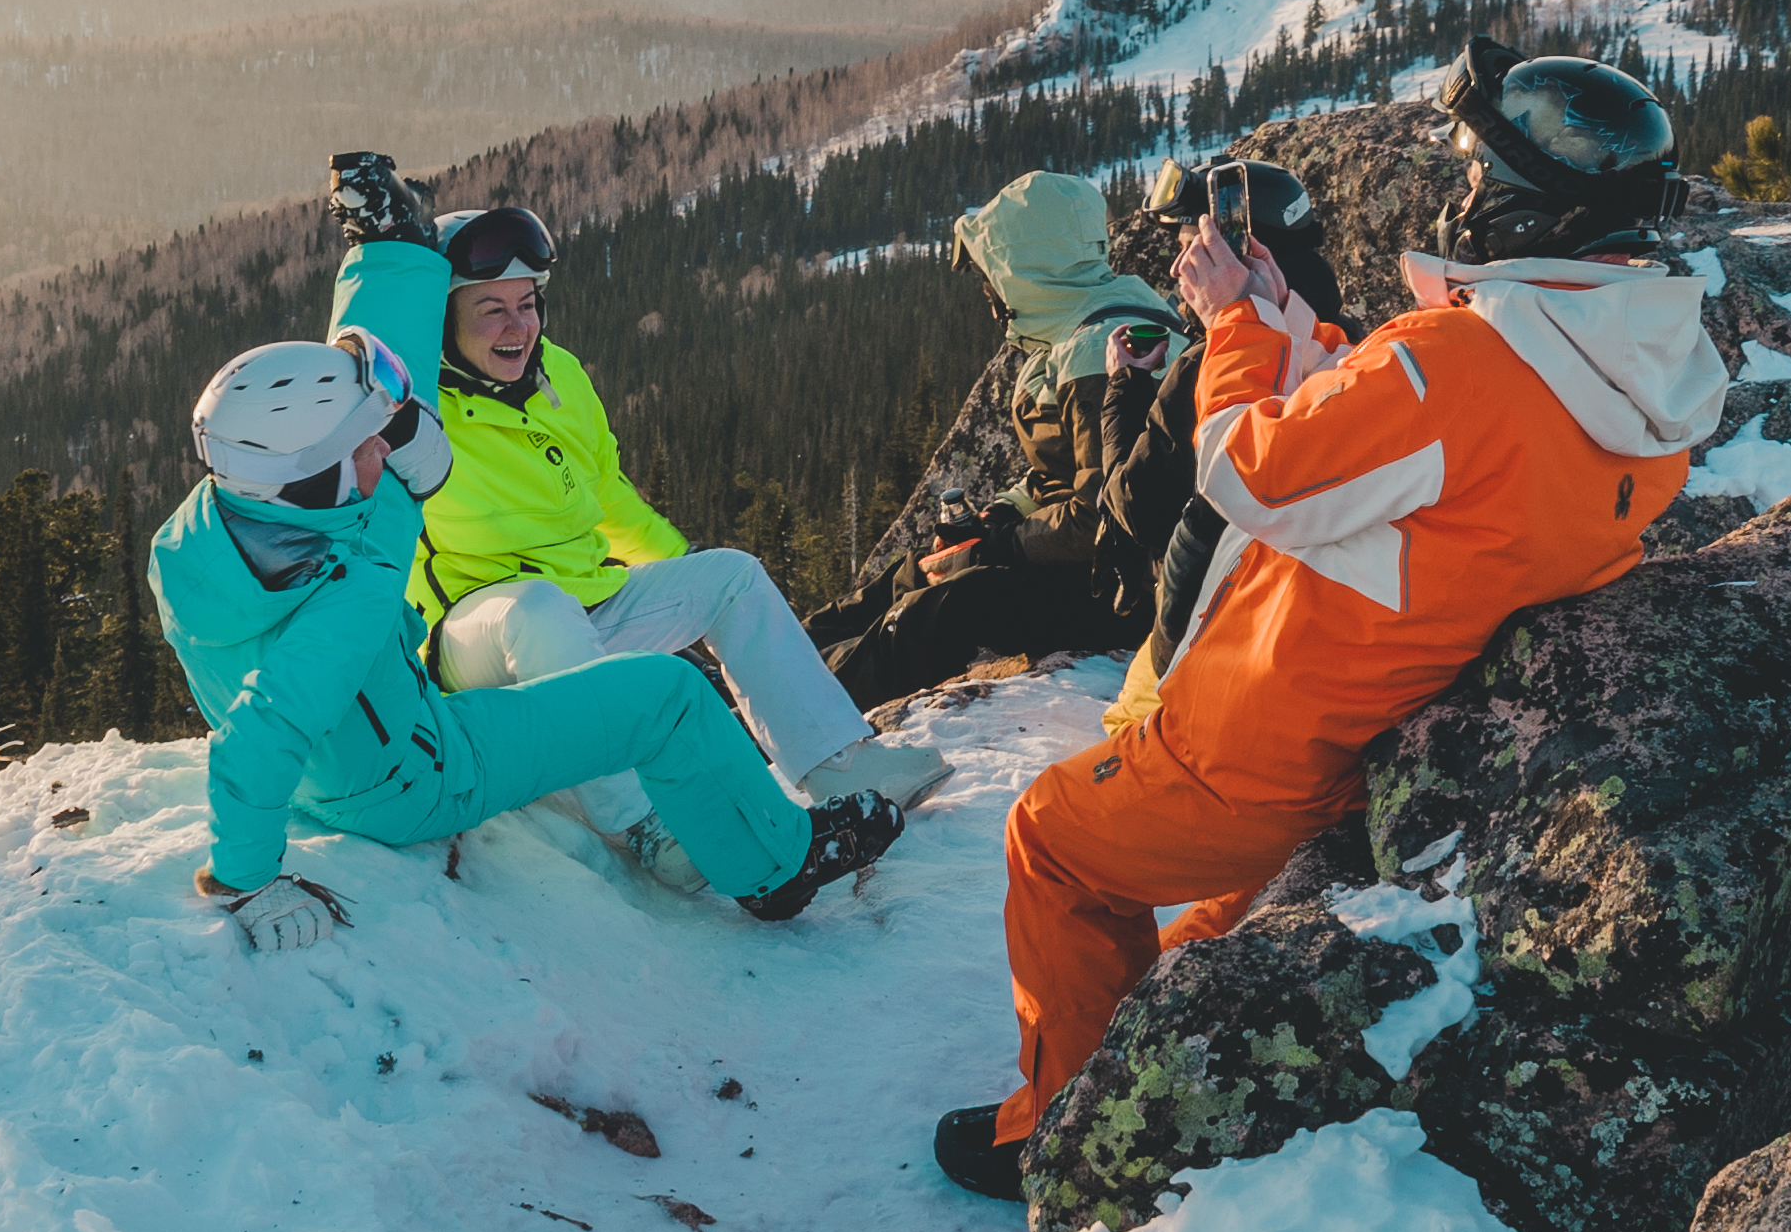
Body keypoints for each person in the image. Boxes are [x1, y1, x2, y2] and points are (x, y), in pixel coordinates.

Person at [930, 41, 1729, 1201]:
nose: (1460, 196)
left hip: (1265, 748)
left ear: (1522, 209)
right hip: (1385, 733)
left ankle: (1055, 1136)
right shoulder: (1644, 378)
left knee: (1049, 840)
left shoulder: (1458, 357)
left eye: (1476, 177)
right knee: (1200, 919)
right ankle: (1147, 1036)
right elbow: (1421, 470)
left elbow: (1252, 470)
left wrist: (1233, 328)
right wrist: (1307, 336)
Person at [149, 181, 910, 950]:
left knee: (687, 621)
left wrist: (388, 250)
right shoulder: (354, 575)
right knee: (668, 695)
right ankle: (774, 865)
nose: (386, 443)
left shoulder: (208, 530)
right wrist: (247, 878)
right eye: (364, 445)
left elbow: (374, 361)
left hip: (364, 755)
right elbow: (260, 729)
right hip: (420, 775)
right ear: (319, 475)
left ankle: (815, 777)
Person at [332, 154, 946, 896]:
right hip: (477, 635)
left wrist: (685, 584)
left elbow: (611, 502)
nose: (517, 326)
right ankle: (649, 826)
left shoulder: (560, 376)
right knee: (540, 610)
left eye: (527, 304)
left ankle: (838, 759)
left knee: (731, 575)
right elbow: (362, 354)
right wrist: (381, 251)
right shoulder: (419, 403)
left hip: (586, 604)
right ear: (444, 321)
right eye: (490, 308)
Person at [804, 171, 1188, 709]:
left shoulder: (1100, 347)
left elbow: (1100, 515)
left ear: (1024, 272)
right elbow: (1063, 472)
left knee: (951, 604)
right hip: (1095, 563)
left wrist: (998, 545)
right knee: (919, 568)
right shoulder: (1085, 327)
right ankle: (777, 660)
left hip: (1124, 589)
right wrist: (1002, 514)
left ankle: (796, 707)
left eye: (991, 278)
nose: (987, 295)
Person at [1100, 155, 1350, 738]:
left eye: (1195, 248)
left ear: (1236, 252)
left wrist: (1124, 389)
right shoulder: (1343, 336)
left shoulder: (1211, 361)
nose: (1177, 266)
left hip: (1207, 633)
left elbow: (1132, 508)